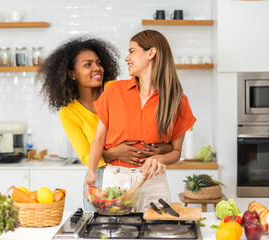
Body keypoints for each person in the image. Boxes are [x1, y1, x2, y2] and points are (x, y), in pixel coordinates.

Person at [36, 36, 172, 210]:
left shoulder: (114, 89)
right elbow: (86, 157)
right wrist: (116, 152)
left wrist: (161, 149)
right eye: (88, 65)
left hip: (135, 171)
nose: (96, 68)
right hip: (99, 175)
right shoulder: (69, 112)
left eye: (98, 63)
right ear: (72, 74)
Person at [86, 30, 196, 211]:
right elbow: (98, 140)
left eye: (132, 51)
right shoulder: (114, 92)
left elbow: (176, 152)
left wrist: (160, 157)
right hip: (116, 180)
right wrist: (91, 175)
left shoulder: (177, 100)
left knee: (157, 233)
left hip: (153, 182)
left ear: (151, 53)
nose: (126, 58)